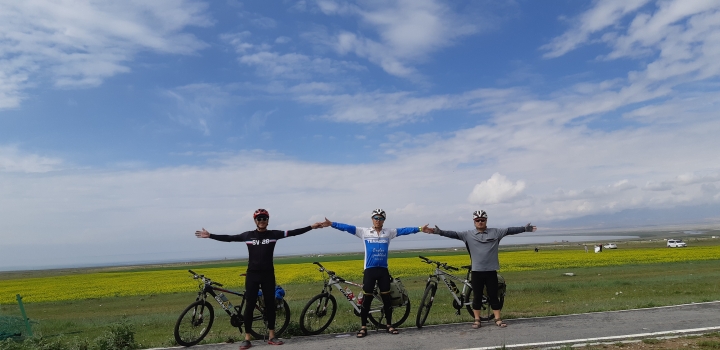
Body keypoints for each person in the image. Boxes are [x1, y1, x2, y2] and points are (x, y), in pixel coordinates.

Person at [196, 209, 325, 350]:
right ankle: (247, 338)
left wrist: (311, 227)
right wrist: (210, 235)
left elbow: (294, 232)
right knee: (250, 306)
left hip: (268, 275)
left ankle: (272, 336)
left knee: (270, 305)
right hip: (252, 275)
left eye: (264, 218)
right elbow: (229, 237)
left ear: (268, 220)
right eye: (259, 218)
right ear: (255, 221)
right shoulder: (248, 235)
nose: (262, 221)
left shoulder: (274, 234)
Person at [320, 209, 428, 337]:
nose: (378, 220)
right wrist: (332, 224)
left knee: (387, 300)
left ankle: (389, 325)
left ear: (384, 220)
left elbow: (404, 230)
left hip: (383, 270)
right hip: (370, 270)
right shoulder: (364, 232)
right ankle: (363, 327)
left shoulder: (388, 233)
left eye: (381, 218)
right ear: (372, 219)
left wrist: (420, 228)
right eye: (376, 218)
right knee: (367, 299)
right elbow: (347, 228)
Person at [422, 210, 536, 329]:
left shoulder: (496, 232)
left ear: (486, 221)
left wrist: (524, 228)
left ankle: (497, 319)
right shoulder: (467, 235)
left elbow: (509, 230)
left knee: (493, 295)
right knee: (477, 296)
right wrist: (437, 231)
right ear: (474, 222)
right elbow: (453, 234)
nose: (480, 222)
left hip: (491, 271)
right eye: (477, 220)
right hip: (476, 271)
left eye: (482, 220)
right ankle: (477, 320)